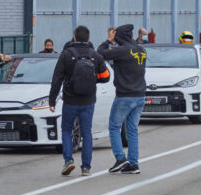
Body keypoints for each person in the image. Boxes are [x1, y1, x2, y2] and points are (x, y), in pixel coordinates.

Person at [49, 26, 110, 177]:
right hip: (88, 100)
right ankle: (86, 167)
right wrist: (93, 79)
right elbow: (106, 76)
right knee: (87, 132)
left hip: (70, 99)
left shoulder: (66, 54)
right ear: (88, 39)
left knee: (66, 130)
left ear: (74, 37)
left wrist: (52, 100)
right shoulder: (95, 55)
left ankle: (68, 160)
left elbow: (57, 79)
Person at [97, 24, 147, 175]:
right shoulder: (141, 49)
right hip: (140, 95)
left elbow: (100, 53)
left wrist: (108, 40)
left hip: (125, 95)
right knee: (132, 130)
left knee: (114, 127)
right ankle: (133, 164)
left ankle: (120, 159)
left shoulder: (123, 50)